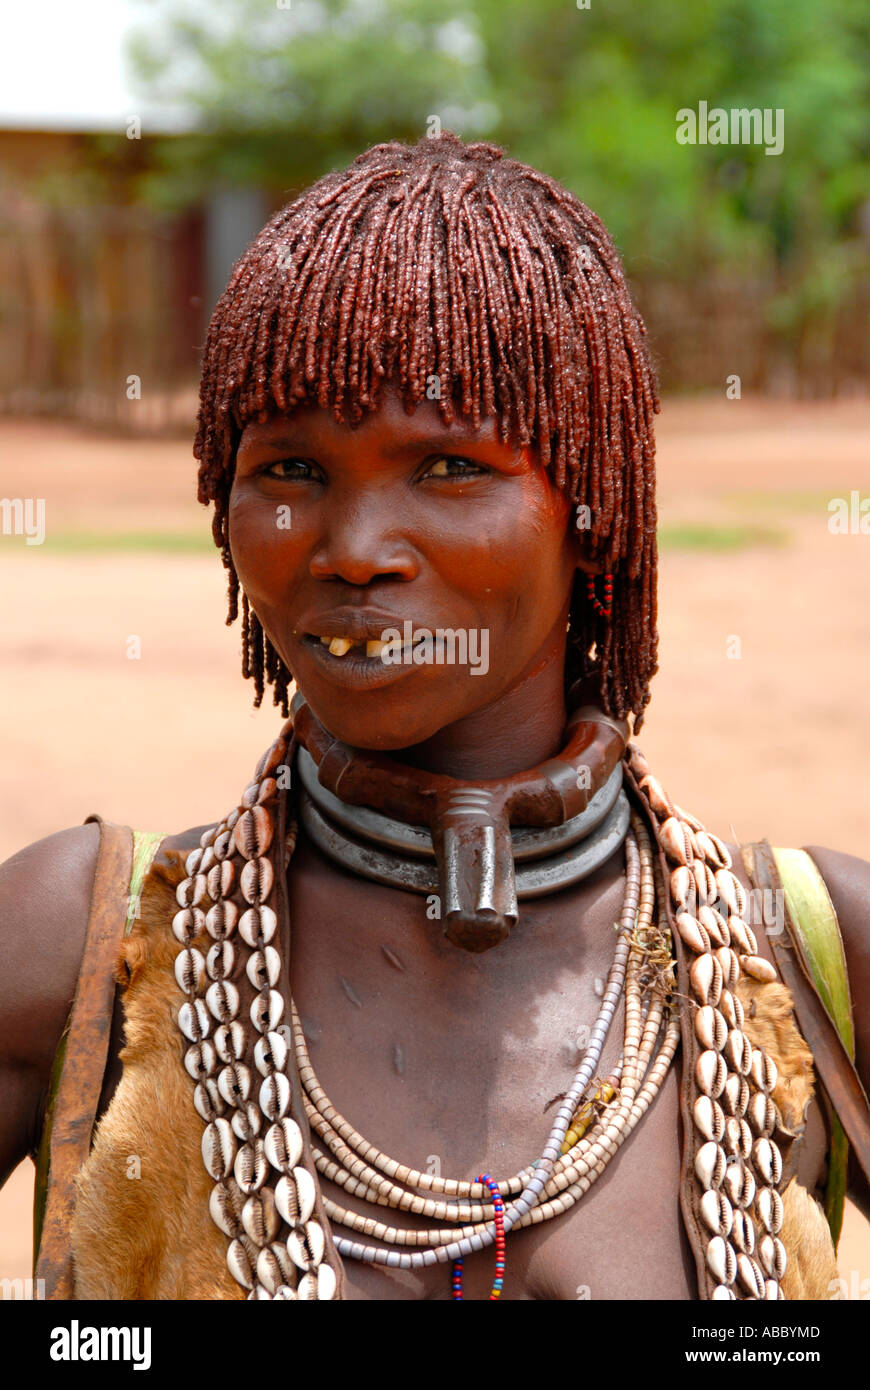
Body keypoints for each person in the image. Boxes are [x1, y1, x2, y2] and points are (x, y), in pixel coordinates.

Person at [2, 132, 868, 1302]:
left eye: (451, 468)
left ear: (594, 503)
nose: (354, 552)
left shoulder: (804, 958)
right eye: (291, 472)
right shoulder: (83, 946)